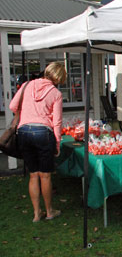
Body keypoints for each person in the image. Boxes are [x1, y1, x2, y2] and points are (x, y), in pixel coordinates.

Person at [9, 62, 67, 222]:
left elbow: (12, 105)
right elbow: (57, 122)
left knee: (33, 175)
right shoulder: (55, 94)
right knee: (46, 176)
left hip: (24, 132)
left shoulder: (27, 85)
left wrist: (27, 110)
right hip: (43, 132)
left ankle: (36, 213)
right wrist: (57, 144)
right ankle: (49, 211)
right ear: (59, 78)